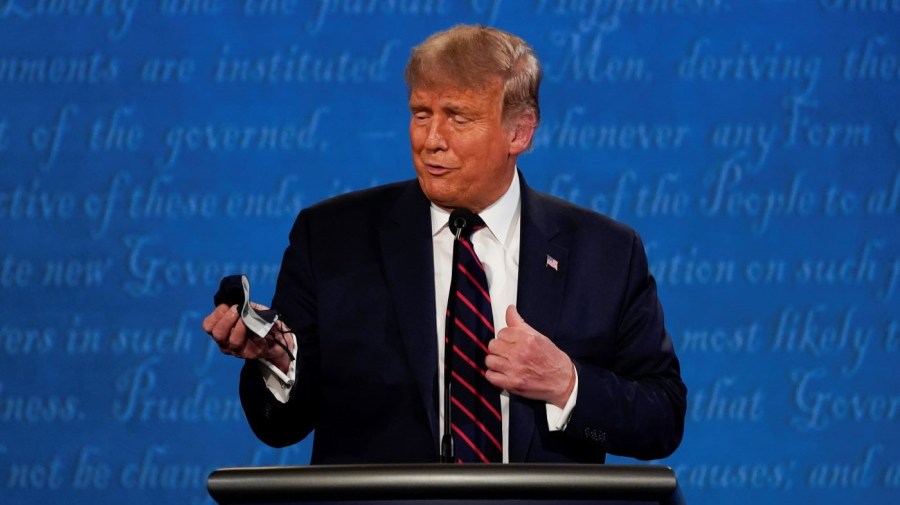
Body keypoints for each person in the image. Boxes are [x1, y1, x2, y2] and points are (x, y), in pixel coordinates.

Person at [202, 24, 686, 464]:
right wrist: (279, 363)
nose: (431, 139)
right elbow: (280, 427)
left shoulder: (605, 253)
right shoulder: (331, 238)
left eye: (458, 117)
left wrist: (567, 384)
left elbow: (661, 420)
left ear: (520, 130)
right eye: (421, 114)